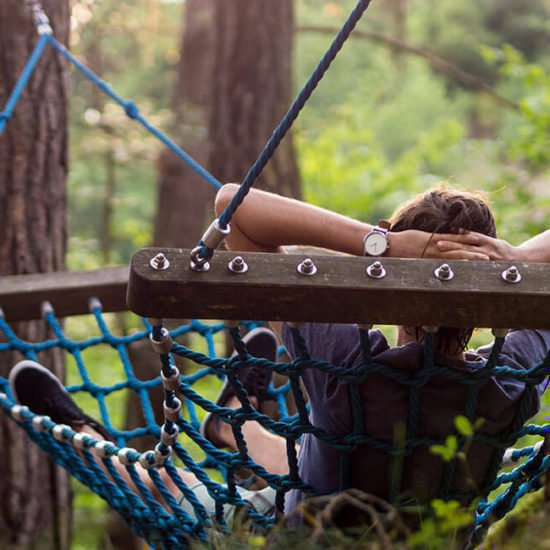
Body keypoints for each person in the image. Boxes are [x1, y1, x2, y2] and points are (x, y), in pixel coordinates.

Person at [9, 184, 550, 527]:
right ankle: (237, 430)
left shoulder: (348, 367)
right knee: (335, 449)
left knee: (175, 491)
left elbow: (234, 206)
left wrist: (377, 245)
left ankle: (82, 433)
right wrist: (517, 261)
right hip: (418, 527)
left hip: (300, 537)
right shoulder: (513, 380)